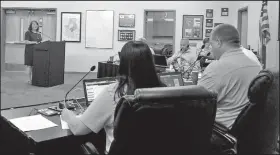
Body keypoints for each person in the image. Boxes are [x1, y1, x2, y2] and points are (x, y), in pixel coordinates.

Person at [61, 41, 165, 155]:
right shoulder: (163, 91)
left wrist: (66, 113)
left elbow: (78, 129)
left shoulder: (115, 92)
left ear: (123, 64)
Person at [197, 24, 262, 129]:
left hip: (221, 131)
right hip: (249, 128)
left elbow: (197, 104)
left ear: (218, 42)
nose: (211, 49)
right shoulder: (252, 56)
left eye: (211, 44)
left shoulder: (218, 67)